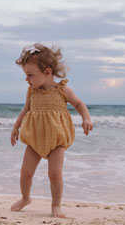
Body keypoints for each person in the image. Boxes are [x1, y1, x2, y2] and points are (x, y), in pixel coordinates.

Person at [9, 43, 93, 218]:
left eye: (30, 75)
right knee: (26, 172)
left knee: (55, 174)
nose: (27, 80)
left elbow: (79, 104)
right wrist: (16, 127)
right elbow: (25, 110)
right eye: (26, 75)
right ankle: (25, 198)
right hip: (34, 138)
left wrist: (86, 118)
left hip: (57, 139)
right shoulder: (31, 92)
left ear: (47, 72)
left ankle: (56, 205)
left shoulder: (63, 90)